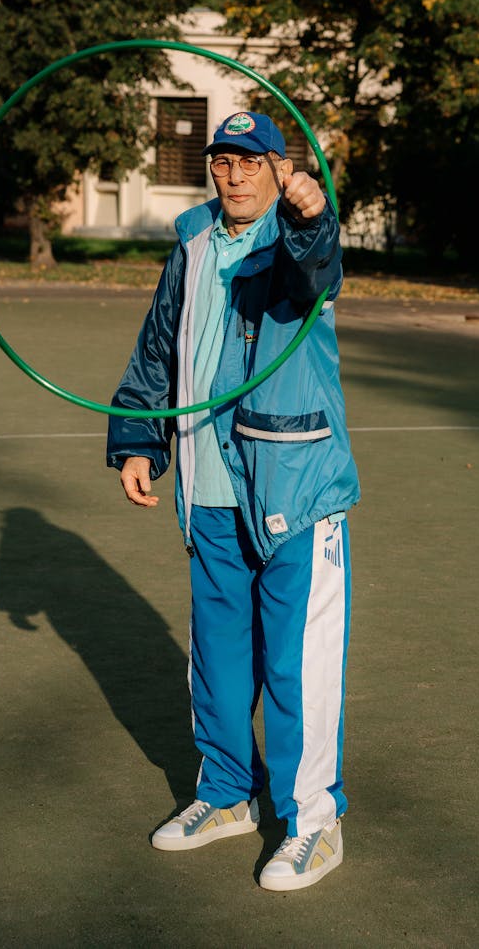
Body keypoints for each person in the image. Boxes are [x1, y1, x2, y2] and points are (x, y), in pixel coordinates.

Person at [106, 110, 360, 891]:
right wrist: (139, 439)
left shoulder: (293, 236)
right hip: (211, 491)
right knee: (218, 661)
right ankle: (226, 795)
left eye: (252, 162)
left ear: (280, 169)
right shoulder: (190, 240)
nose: (235, 174)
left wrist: (313, 215)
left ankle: (313, 820)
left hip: (293, 487)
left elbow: (315, 267)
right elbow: (159, 344)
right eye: (222, 161)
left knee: (295, 667)